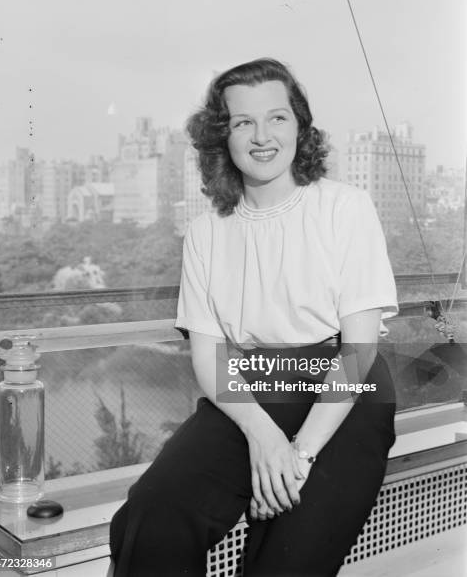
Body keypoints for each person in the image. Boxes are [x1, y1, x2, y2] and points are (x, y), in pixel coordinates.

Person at [109, 57, 398, 577]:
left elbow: (358, 351)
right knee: (152, 512)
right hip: (250, 390)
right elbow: (209, 356)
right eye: (243, 122)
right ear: (224, 136)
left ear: (299, 126)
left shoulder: (344, 207)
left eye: (277, 118)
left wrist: (297, 458)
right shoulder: (205, 232)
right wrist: (263, 438)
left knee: (284, 561)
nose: (262, 136)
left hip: (343, 392)